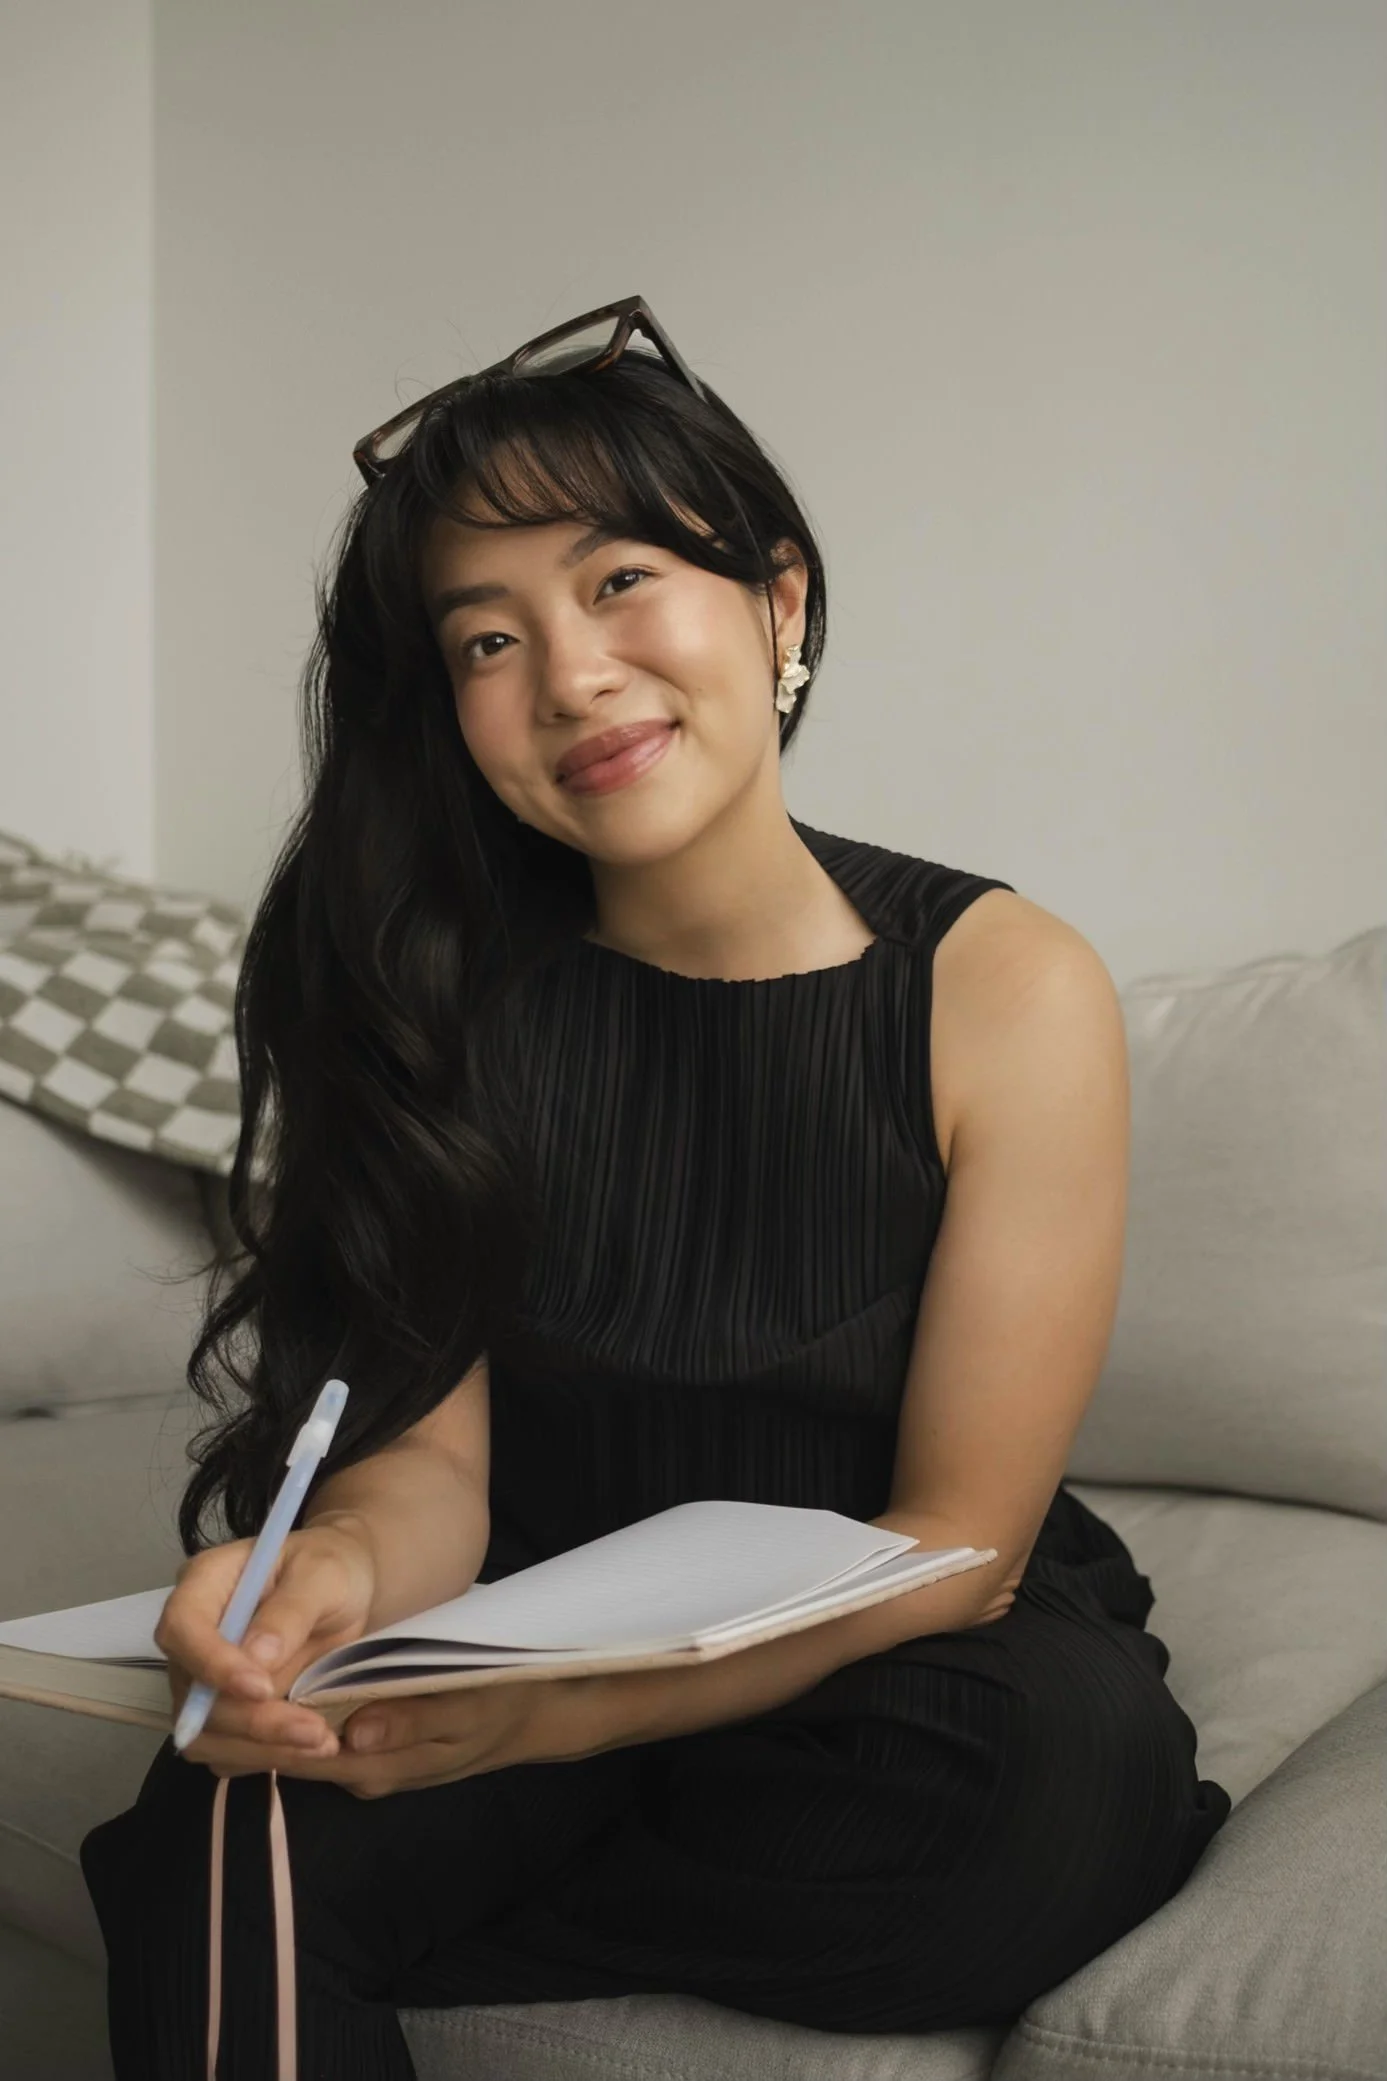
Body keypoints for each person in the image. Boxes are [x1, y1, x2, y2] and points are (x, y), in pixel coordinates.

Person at [80, 299, 1232, 2079]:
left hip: (886, 1648)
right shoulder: (425, 997)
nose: (571, 676)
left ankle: (480, 1875)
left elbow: (952, 1547)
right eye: (485, 637)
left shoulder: (1004, 985)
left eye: (618, 581)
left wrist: (568, 1723)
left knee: (1029, 1790)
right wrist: (335, 1568)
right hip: (514, 1608)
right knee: (229, 1827)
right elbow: (432, 1469)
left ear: (777, 602)